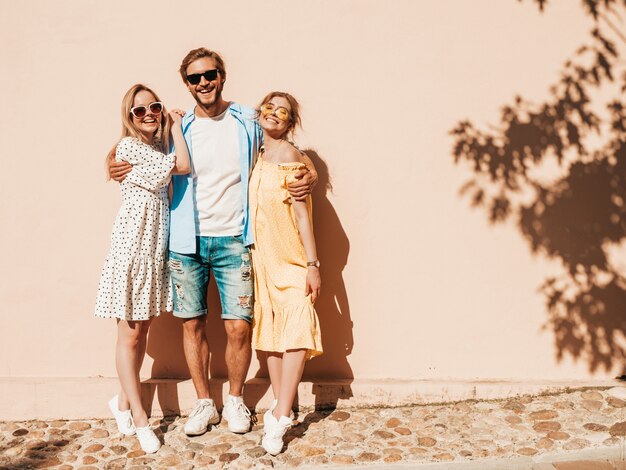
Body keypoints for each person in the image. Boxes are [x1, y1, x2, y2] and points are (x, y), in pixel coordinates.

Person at [108, 48, 318, 437]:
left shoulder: (247, 121)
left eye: (209, 75)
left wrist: (311, 175)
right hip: (185, 241)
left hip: (236, 238)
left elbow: (282, 148)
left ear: (222, 76)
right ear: (186, 84)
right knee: (193, 326)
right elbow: (137, 143)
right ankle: (204, 403)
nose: (203, 82)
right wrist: (111, 162)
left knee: (239, 327)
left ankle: (235, 401)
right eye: (194, 78)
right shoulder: (177, 125)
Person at [96, 84, 191, 453]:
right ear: (129, 117)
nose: (149, 113)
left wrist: (168, 134)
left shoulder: (152, 150)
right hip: (132, 249)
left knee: (141, 332)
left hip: (153, 250)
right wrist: (177, 128)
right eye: (139, 110)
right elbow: (182, 166)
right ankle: (139, 417)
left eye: (155, 106)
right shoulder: (129, 148)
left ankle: (121, 400)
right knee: (130, 335)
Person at [250, 92, 323, 455]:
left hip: (291, 258)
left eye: (283, 110)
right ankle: (283, 405)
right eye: (269, 106)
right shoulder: (256, 154)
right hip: (261, 259)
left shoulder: (293, 160)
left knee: (297, 318)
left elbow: (301, 216)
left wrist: (313, 265)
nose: (274, 113)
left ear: (291, 121)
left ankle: (278, 417)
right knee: (273, 333)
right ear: (259, 111)